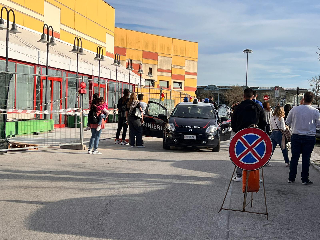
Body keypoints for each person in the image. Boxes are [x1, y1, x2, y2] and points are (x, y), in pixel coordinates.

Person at [231, 88, 267, 181]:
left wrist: (237, 131)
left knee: (240, 154)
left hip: (241, 135)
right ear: (253, 96)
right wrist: (261, 134)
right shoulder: (258, 107)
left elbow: (233, 122)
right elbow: (263, 123)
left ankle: (239, 175)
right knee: (255, 155)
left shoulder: (238, 107)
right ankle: (255, 176)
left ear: (244, 96)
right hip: (255, 135)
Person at [286, 92, 320, 185]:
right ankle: (304, 179)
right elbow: (318, 124)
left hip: (296, 135)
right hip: (309, 136)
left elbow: (288, 121)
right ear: (312, 100)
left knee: (294, 158)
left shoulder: (294, 109)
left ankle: (291, 177)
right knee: (306, 158)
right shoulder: (315, 111)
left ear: (303, 98)